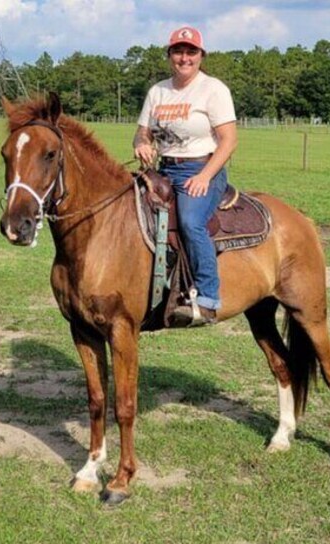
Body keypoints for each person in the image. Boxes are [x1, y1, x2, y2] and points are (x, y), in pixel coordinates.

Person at [133, 25, 238, 326]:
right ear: (170, 56)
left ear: (201, 56)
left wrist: (205, 176)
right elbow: (142, 132)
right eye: (178, 51)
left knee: (191, 222)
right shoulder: (158, 91)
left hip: (202, 168)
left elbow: (229, 140)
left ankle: (207, 297)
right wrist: (141, 143)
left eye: (191, 51)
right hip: (165, 169)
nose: (184, 57)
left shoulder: (213, 89)